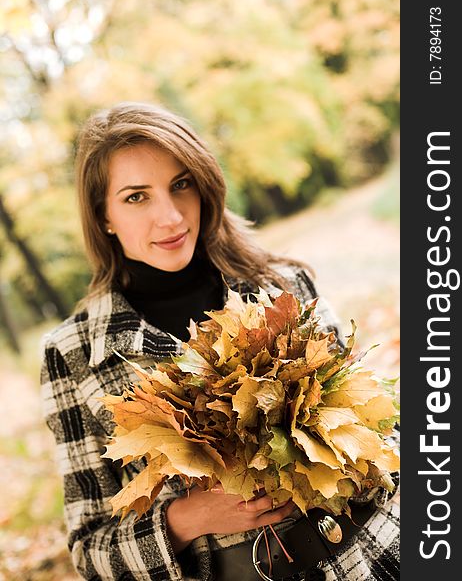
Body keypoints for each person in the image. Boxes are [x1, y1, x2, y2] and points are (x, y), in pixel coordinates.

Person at [40, 101, 399, 581]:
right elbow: (90, 550)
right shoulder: (74, 354)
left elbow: (383, 425)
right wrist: (183, 522)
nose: (170, 217)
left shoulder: (283, 285)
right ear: (103, 216)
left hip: (377, 556)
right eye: (135, 197)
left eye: (180, 184)